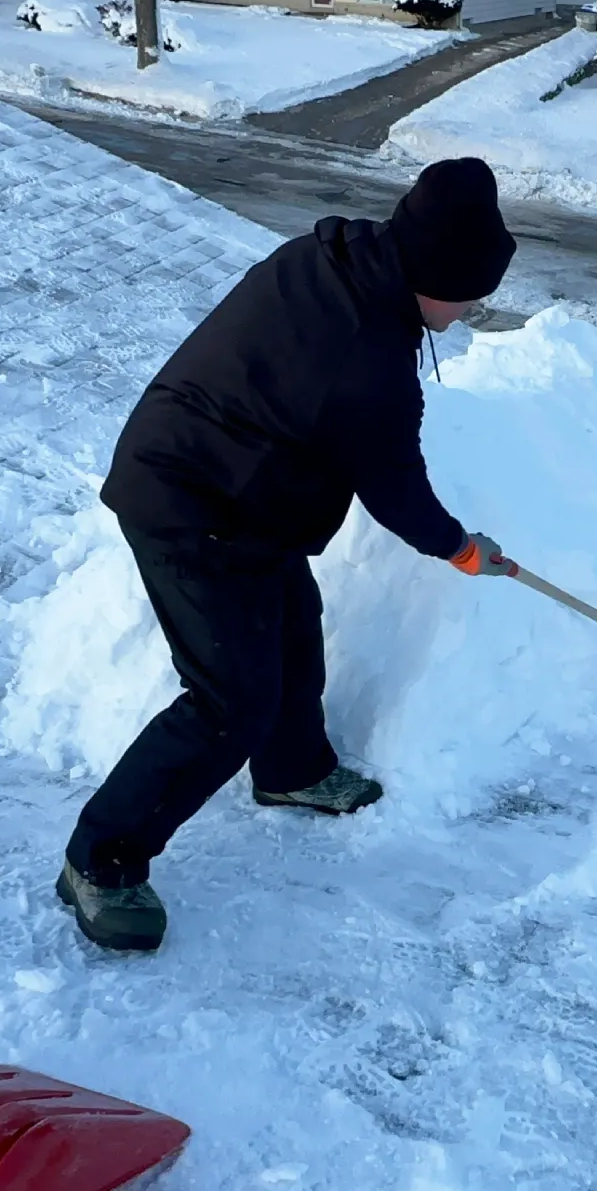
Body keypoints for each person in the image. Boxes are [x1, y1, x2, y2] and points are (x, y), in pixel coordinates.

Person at [56, 158, 519, 952]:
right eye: (472, 292)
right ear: (436, 274)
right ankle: (100, 859)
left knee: (294, 624)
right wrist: (460, 549)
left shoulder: (337, 257)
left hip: (241, 495)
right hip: (187, 506)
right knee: (229, 699)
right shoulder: (368, 359)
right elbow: (395, 488)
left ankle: (292, 770)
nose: (475, 307)